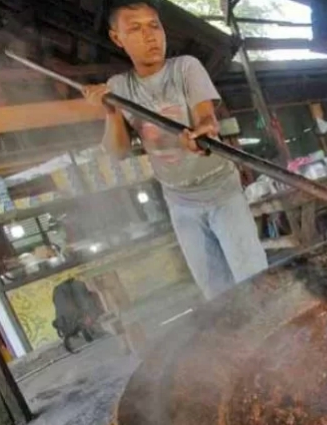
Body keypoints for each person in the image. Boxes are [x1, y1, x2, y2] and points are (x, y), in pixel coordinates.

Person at [83, 0, 268, 300]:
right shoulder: (118, 87)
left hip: (222, 191)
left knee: (255, 278)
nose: (150, 36)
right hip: (181, 204)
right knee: (216, 293)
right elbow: (117, 153)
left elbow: (206, 116)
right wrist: (110, 111)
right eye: (135, 29)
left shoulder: (185, 67)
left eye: (154, 26)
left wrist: (202, 131)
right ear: (117, 38)